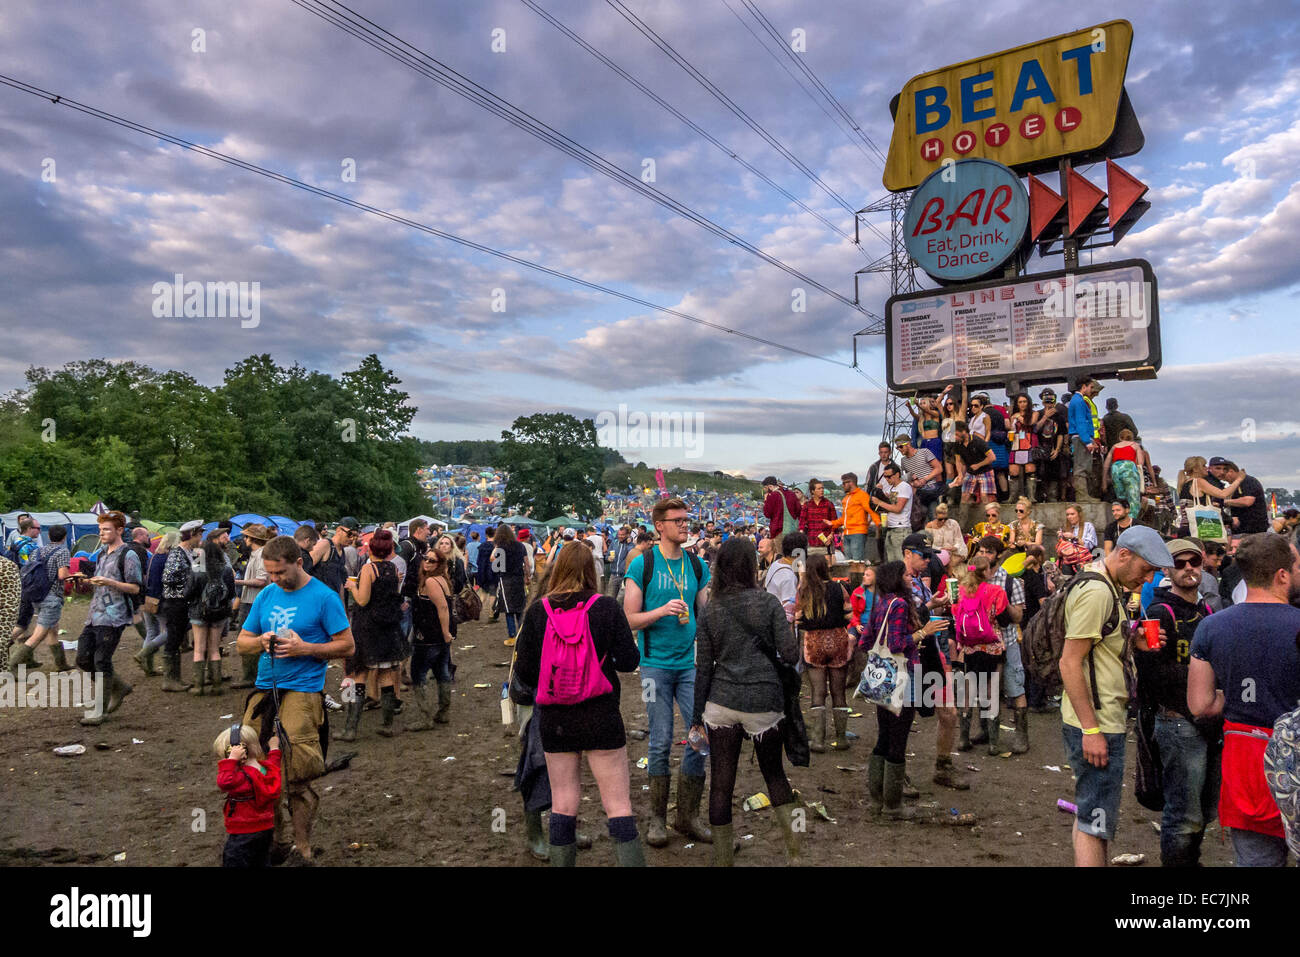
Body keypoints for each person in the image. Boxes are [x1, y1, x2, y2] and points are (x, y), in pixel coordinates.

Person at [514, 541, 644, 866]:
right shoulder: (607, 607)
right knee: (618, 805)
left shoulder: (538, 611)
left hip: (556, 717)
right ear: (594, 570)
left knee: (563, 803)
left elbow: (526, 672)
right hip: (601, 713)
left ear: (558, 568)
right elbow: (629, 662)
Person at [236, 535, 355, 865]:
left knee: (294, 774)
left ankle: (302, 849)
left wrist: (306, 649)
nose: (275, 580)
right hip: (264, 689)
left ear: (299, 563)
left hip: (303, 691)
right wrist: (260, 640)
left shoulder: (323, 597)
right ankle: (275, 841)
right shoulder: (267, 595)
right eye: (270, 573)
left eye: (280, 572)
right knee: (255, 767)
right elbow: (241, 643)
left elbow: (347, 646)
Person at [1060, 525, 1174, 866]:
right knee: (1097, 822)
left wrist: (1131, 638)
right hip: (1097, 721)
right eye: (1146, 569)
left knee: (1089, 812)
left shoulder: (1103, 580)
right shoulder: (1099, 592)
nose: (1148, 579)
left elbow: (1097, 642)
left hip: (1093, 717)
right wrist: (1092, 730)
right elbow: (1070, 662)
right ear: (1124, 554)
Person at [1189, 534, 1300, 866]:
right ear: (1282, 574)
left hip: (1246, 764)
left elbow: (1201, 704)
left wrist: (1239, 694)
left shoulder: (1211, 626)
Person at [692, 537, 801, 864]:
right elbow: (791, 652)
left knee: (721, 785)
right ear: (751, 565)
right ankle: (795, 854)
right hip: (763, 702)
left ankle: (723, 860)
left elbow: (702, 669)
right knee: (776, 777)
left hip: (721, 704)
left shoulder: (710, 609)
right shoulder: (767, 603)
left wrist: (697, 716)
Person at [623, 497, 712, 848]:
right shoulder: (642, 565)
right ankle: (657, 820)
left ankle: (686, 817)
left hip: (690, 666)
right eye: (677, 520)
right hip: (654, 667)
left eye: (687, 520)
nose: (685, 525)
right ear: (660, 525)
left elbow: (706, 614)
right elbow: (628, 618)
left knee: (699, 737)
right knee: (659, 740)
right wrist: (660, 611)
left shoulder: (696, 564)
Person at [1133, 539, 1221, 866]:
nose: (1188, 569)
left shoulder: (1207, 610)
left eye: (1193, 562)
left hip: (1207, 722)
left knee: (1204, 808)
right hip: (1177, 723)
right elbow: (1152, 673)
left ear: (1202, 565)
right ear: (1168, 569)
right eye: (1180, 563)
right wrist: (1203, 676)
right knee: (1183, 813)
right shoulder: (1159, 612)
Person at [864, 561, 945, 817]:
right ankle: (892, 806)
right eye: (906, 574)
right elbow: (898, 644)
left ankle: (877, 801)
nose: (911, 578)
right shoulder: (899, 604)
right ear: (896, 578)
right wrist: (924, 632)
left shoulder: (881, 603)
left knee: (883, 737)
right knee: (898, 741)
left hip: (881, 678)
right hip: (903, 678)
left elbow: (866, 639)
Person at [77, 511, 142, 726]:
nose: (102, 533)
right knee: (83, 659)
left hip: (114, 616)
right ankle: (120, 687)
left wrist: (110, 582)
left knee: (101, 660)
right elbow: (101, 583)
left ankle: (99, 710)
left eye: (106, 530)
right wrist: (86, 581)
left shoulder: (129, 555)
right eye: (100, 530)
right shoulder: (102, 554)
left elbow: (134, 588)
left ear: (120, 530)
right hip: (94, 614)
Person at [343, 529, 408, 736]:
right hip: (388, 628)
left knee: (360, 673)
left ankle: (351, 729)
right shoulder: (391, 568)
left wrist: (351, 587)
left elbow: (362, 600)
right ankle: (387, 726)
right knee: (386, 673)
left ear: (371, 548)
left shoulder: (369, 569)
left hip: (368, 627)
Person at [797, 553, 853, 752]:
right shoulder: (839, 588)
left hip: (813, 642)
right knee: (839, 692)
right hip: (838, 639)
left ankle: (818, 740)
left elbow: (797, 618)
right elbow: (850, 614)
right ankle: (841, 738)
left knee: (817, 692)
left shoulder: (804, 591)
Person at [7, 524, 73, 674]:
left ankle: (61, 664)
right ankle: (12, 664)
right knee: (38, 634)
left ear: (48, 536)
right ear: (64, 538)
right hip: (51, 596)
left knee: (53, 629)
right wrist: (75, 576)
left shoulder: (37, 551)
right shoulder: (62, 551)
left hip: (36, 595)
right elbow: (63, 575)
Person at [214, 724, 282, 868]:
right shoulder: (265, 769)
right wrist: (274, 748)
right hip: (266, 828)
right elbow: (274, 764)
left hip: (243, 832)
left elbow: (223, 782)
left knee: (235, 860)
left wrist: (231, 760)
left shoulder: (241, 778)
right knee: (261, 860)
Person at [405, 547, 456, 732]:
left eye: (432, 560)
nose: (427, 562)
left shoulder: (432, 582)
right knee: (442, 672)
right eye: (425, 558)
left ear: (439, 564)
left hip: (429, 636)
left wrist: (445, 632)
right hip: (438, 636)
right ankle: (443, 712)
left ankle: (426, 717)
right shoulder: (441, 580)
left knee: (418, 674)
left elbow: (442, 608)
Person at [188, 533, 236, 697]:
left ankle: (198, 686)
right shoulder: (227, 570)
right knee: (215, 648)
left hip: (198, 613)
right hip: (220, 613)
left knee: (199, 650)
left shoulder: (198, 569)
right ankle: (217, 685)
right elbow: (231, 594)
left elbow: (189, 592)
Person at [231, 525, 272, 689]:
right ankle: (252, 675)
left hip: (254, 602)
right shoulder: (256, 554)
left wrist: (237, 582)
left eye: (246, 537)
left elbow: (261, 580)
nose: (244, 540)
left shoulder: (261, 555)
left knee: (248, 638)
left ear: (252, 539)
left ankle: (251, 676)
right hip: (251, 600)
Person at [133, 529, 178, 678]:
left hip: (147, 598)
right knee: (169, 632)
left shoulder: (153, 556)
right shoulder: (168, 558)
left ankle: (149, 667)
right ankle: (143, 654)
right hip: (160, 600)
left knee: (152, 631)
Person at [949, 422, 997, 521]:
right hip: (971, 472)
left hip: (985, 471)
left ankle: (989, 523)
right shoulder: (957, 444)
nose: (955, 437)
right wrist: (960, 474)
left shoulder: (977, 441)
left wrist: (978, 465)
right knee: (964, 496)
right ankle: (962, 525)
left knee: (985, 497)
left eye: (957, 434)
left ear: (964, 432)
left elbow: (992, 457)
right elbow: (958, 461)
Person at [895, 435, 945, 529]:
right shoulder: (903, 461)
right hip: (918, 495)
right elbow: (910, 479)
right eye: (897, 447)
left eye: (900, 446)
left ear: (908, 444)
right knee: (918, 522)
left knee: (935, 520)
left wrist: (924, 479)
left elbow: (939, 468)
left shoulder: (924, 452)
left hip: (931, 492)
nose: (899, 449)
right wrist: (914, 483)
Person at [491, 525, 529, 642]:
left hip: (505, 579)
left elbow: (492, 559)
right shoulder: (520, 545)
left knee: (508, 609)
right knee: (520, 607)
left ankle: (512, 636)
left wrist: (496, 546)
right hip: (518, 579)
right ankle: (522, 635)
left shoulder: (500, 547)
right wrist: (527, 577)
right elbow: (527, 564)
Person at [831, 472, 877, 564]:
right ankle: (852, 578)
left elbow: (871, 512)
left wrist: (875, 524)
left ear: (850, 483)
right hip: (848, 532)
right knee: (849, 562)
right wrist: (834, 524)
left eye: (844, 483)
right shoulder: (847, 498)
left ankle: (859, 578)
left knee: (857, 562)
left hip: (858, 533)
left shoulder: (862, 495)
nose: (842, 485)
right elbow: (844, 518)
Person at [871, 463, 914, 562]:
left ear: (897, 474)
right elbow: (890, 504)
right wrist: (880, 492)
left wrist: (879, 502)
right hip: (890, 528)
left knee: (901, 561)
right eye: (885, 476)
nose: (887, 479)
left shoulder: (904, 487)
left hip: (901, 529)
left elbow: (898, 508)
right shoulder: (892, 488)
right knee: (891, 562)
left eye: (889, 476)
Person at [1101, 428, 1144, 521]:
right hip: (1129, 469)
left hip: (1116, 469)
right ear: (1131, 438)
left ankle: (1121, 519)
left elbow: (1106, 465)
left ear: (1120, 438)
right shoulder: (1135, 445)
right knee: (1133, 498)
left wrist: (1104, 481)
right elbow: (1140, 463)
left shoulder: (1114, 447)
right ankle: (1132, 520)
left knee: (1121, 498)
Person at [1035, 388, 1068, 502]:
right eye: (1046, 400)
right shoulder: (1038, 414)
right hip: (1040, 449)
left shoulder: (1059, 416)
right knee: (1041, 474)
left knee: (1055, 475)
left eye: (1051, 400)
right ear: (1042, 401)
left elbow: (1061, 434)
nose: (1049, 402)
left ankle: (1052, 497)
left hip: (1054, 449)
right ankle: (1042, 496)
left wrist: (1058, 449)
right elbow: (1035, 429)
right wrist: (1045, 416)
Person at [1219, 461, 1269, 535]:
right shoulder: (1236, 485)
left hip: (1253, 528)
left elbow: (1247, 501)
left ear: (1231, 471)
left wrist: (1225, 502)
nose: (1223, 479)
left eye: (1224, 476)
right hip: (1242, 528)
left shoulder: (1248, 481)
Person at [1007, 392, 1040, 502]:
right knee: (1013, 471)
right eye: (1020, 402)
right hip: (1016, 443)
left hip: (1029, 442)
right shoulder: (1013, 416)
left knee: (1030, 469)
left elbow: (1030, 423)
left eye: (1024, 401)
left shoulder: (1034, 413)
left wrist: (1019, 417)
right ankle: (1013, 497)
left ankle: (1031, 496)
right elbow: (1012, 429)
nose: (1022, 404)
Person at [798, 478, 838, 556]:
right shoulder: (807, 505)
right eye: (819, 488)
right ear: (813, 491)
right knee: (812, 566)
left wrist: (831, 535)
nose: (822, 490)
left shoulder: (829, 504)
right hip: (811, 541)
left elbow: (834, 522)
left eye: (822, 488)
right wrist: (801, 535)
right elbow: (802, 523)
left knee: (827, 566)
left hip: (826, 542)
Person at [926, 501, 968, 575]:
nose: (943, 521)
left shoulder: (953, 524)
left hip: (955, 552)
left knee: (952, 563)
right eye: (940, 519)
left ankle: (951, 581)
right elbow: (928, 544)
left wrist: (953, 548)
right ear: (935, 516)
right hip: (938, 553)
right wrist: (940, 550)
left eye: (945, 519)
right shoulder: (929, 526)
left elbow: (959, 541)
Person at [1056, 505, 1098, 576]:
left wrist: (1074, 537)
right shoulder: (1065, 528)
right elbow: (1061, 551)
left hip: (1084, 559)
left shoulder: (1088, 526)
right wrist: (1061, 539)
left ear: (1079, 514)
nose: (1069, 517)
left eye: (1072, 514)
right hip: (1068, 561)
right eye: (1067, 515)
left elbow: (1090, 545)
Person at [607, 525, 635, 598]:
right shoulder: (614, 543)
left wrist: (629, 543)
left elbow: (631, 554)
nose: (620, 536)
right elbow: (607, 555)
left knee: (620, 600)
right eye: (619, 534)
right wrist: (608, 558)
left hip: (624, 577)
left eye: (622, 535)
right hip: (613, 575)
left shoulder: (630, 545)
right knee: (610, 598)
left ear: (627, 535)